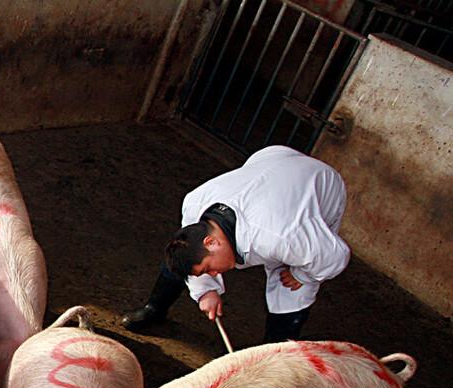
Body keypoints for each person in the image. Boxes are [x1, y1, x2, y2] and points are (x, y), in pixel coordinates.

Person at [122, 145, 350, 343]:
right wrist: (205, 292)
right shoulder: (194, 204)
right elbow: (186, 256)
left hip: (321, 184)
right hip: (273, 159)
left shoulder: (283, 236)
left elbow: (335, 257)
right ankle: (154, 308)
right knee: (182, 259)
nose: (211, 273)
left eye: (208, 269)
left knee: (291, 288)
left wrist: (303, 276)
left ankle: (273, 349)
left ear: (211, 242)